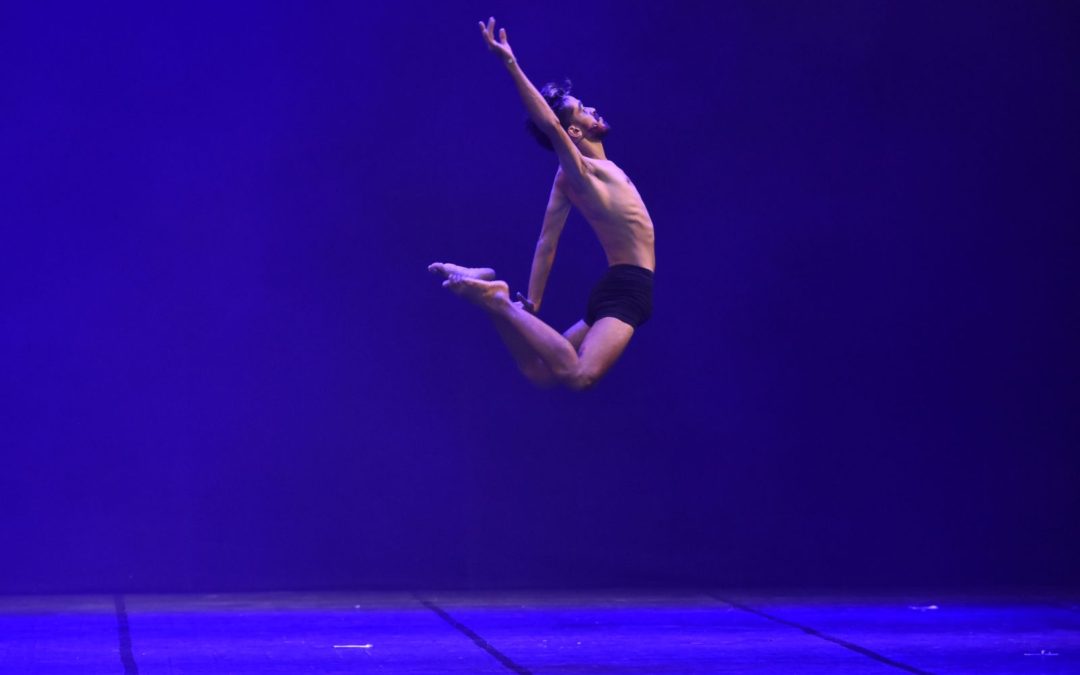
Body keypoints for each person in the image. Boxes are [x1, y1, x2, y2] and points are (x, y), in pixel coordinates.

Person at [429, 17, 656, 390]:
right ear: (575, 132)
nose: (592, 109)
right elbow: (551, 124)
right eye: (582, 110)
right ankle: (498, 300)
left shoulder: (570, 179)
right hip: (629, 286)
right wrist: (511, 63)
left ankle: (492, 296)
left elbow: (546, 242)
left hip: (616, 284)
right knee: (579, 375)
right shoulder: (581, 170)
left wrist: (533, 301)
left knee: (539, 372)